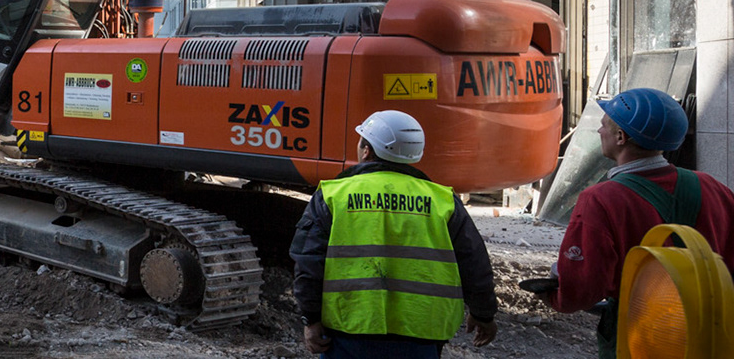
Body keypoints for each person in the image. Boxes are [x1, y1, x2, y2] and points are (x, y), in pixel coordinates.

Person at [523, 87, 734, 356]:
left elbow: (583, 288)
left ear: (620, 137)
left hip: (643, 334)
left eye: (604, 126)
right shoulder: (713, 187)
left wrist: (555, 296)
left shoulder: (600, 200)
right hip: (712, 332)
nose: (599, 131)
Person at [289, 109, 499, 357]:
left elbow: (309, 262)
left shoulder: (334, 195)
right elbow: (474, 262)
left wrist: (310, 319)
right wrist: (483, 313)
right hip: (422, 334)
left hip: (350, 331)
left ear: (366, 150)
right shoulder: (442, 201)